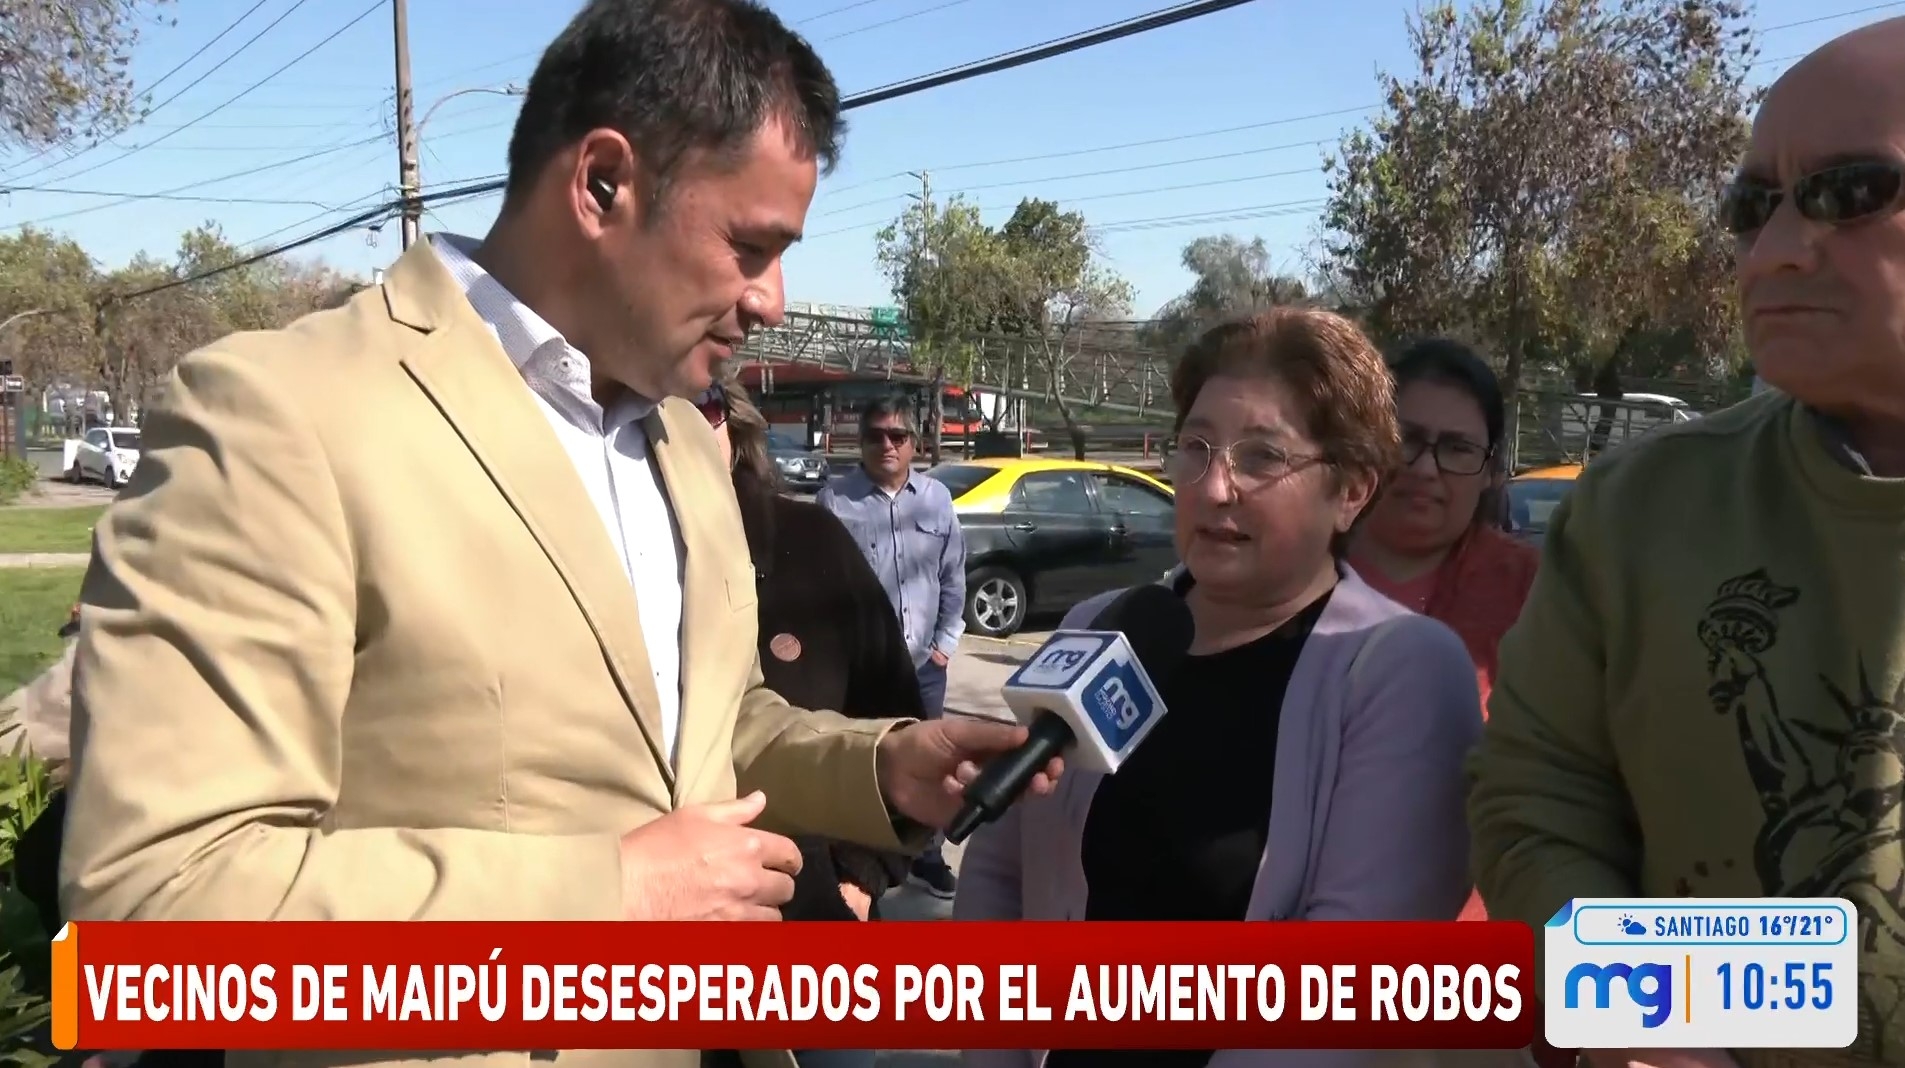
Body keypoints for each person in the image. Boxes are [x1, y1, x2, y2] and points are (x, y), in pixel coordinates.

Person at [57, 6, 1059, 1068]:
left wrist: (880, 766)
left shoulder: (682, 442)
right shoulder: (278, 418)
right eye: (750, 246)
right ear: (602, 184)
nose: (772, 300)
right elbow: (151, 914)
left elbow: (703, 728)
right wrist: (607, 894)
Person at [1467, 16, 1905, 1068]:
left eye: (1848, 192)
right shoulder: (1636, 510)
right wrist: (1654, 1011)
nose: (1774, 248)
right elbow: (1536, 803)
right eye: (1752, 206)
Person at [954, 307, 1484, 1068]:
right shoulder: (1100, 623)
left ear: (1351, 490)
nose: (1214, 487)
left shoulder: (1401, 669)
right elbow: (1001, 875)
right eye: (1195, 448)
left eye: (1261, 457)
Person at [698, 371, 919, 1068]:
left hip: (817, 933)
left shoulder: (812, 543)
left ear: (734, 432)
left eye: (700, 410)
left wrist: (860, 879)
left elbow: (894, 707)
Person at [817, 396, 967, 899]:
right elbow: (823, 587)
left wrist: (945, 643)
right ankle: (860, 864)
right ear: (860, 442)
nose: (887, 444)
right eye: (875, 435)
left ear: (914, 444)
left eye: (897, 436)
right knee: (864, 762)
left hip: (924, 665)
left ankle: (927, 857)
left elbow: (953, 576)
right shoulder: (835, 501)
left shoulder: (937, 500)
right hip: (864, 668)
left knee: (933, 766)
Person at [1348, 338, 1540, 714]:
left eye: (1457, 448)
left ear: (1491, 471)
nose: (1425, 469)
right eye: (1407, 439)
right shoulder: (1296, 568)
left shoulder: (1533, 591)